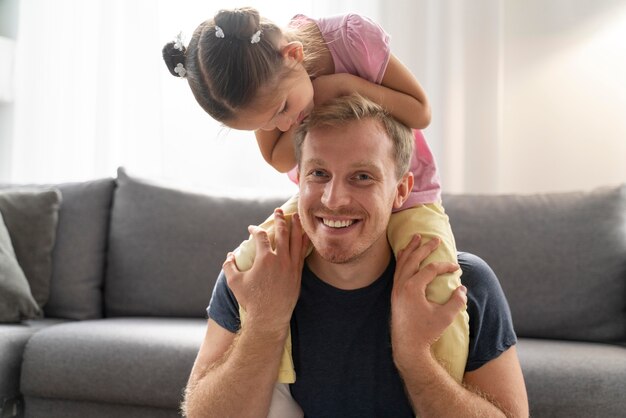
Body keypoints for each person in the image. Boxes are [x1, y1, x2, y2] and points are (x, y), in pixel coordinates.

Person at [163, 8, 471, 400]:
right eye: (264, 124)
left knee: (439, 282)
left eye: (280, 112)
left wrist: (342, 86)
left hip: (410, 196)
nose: (280, 126)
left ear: (293, 55)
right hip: (317, 202)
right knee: (250, 262)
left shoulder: (353, 40)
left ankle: (439, 390)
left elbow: (419, 111)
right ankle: (281, 384)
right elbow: (280, 158)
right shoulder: (266, 93)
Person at [182, 94, 528, 417]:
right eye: (319, 174)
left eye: (362, 177)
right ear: (299, 178)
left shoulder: (464, 284)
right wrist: (263, 324)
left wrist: (415, 357)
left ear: (401, 191)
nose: (334, 199)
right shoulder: (254, 277)